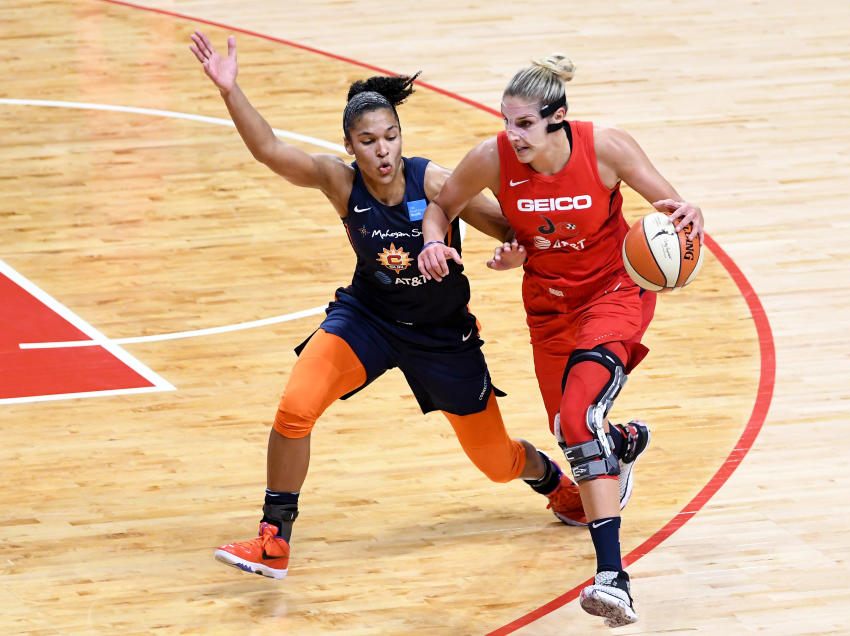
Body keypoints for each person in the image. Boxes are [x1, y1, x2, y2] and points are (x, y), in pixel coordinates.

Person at [188, 33, 587, 580]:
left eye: (391, 137)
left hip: (443, 336)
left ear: (402, 138)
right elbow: (271, 152)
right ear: (350, 145)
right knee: (294, 409)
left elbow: (510, 232)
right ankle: (274, 537)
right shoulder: (339, 180)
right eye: (369, 140)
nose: (382, 150)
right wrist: (230, 90)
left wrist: (511, 255)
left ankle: (551, 481)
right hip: (368, 318)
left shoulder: (438, 181)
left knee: (496, 463)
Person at [417, 54, 704, 627]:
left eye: (524, 123)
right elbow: (442, 206)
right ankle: (618, 441)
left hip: (614, 295)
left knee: (577, 421)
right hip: (549, 308)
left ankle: (612, 579)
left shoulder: (607, 148)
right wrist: (433, 242)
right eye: (507, 122)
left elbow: (673, 209)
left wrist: (689, 214)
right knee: (570, 429)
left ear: (558, 118)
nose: (512, 134)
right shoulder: (490, 158)